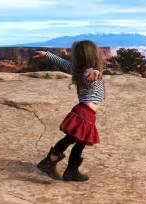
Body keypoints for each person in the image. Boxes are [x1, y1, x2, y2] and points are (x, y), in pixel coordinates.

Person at [34, 40, 105, 182]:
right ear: (93, 55)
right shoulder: (89, 72)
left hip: (84, 112)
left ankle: (62, 166)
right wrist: (95, 72)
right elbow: (91, 74)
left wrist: (47, 54)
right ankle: (61, 167)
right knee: (76, 142)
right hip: (85, 114)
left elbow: (63, 63)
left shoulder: (77, 69)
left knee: (74, 141)